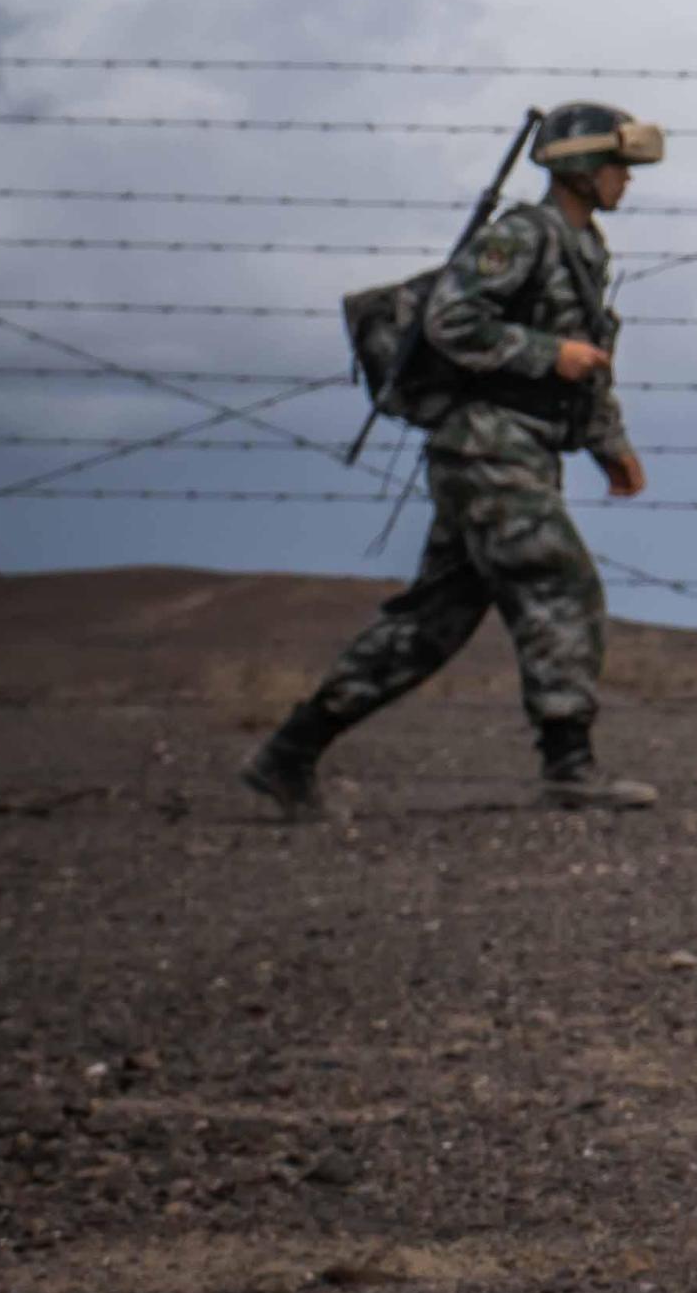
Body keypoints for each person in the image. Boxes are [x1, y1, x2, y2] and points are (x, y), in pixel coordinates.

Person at [250, 100, 666, 819]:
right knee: (560, 586)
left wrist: (610, 447)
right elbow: (451, 319)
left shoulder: (584, 248)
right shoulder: (523, 237)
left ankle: (290, 752)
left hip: (520, 448)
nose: (625, 181)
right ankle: (569, 765)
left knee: (432, 622)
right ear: (580, 167)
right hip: (487, 446)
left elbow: (588, 362)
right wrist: (546, 354)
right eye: (615, 168)